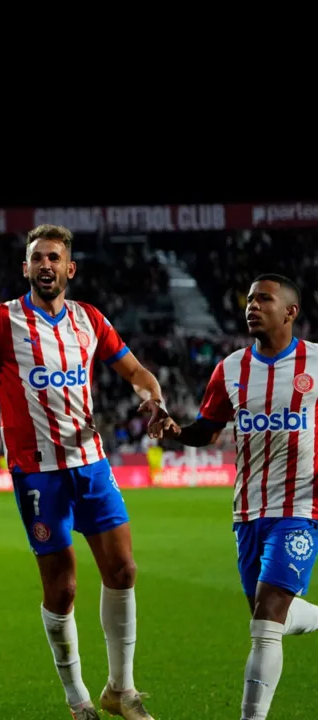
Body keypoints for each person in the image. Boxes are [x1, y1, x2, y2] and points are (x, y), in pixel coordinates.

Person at [0, 224, 166, 720]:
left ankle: (122, 690)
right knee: (63, 588)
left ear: (70, 269)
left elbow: (136, 372)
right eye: (37, 258)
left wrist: (152, 399)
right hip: (38, 475)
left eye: (54, 258)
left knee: (124, 570)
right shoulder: (0, 321)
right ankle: (78, 699)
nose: (45, 265)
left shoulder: (90, 320)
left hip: (91, 462)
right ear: (24, 267)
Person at [150, 274, 318, 720]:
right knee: (270, 615)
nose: (252, 306)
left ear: (290, 312)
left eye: (264, 299)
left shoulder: (316, 363)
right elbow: (207, 430)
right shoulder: (230, 369)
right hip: (247, 511)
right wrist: (176, 431)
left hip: (301, 508)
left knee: (265, 622)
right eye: (249, 299)